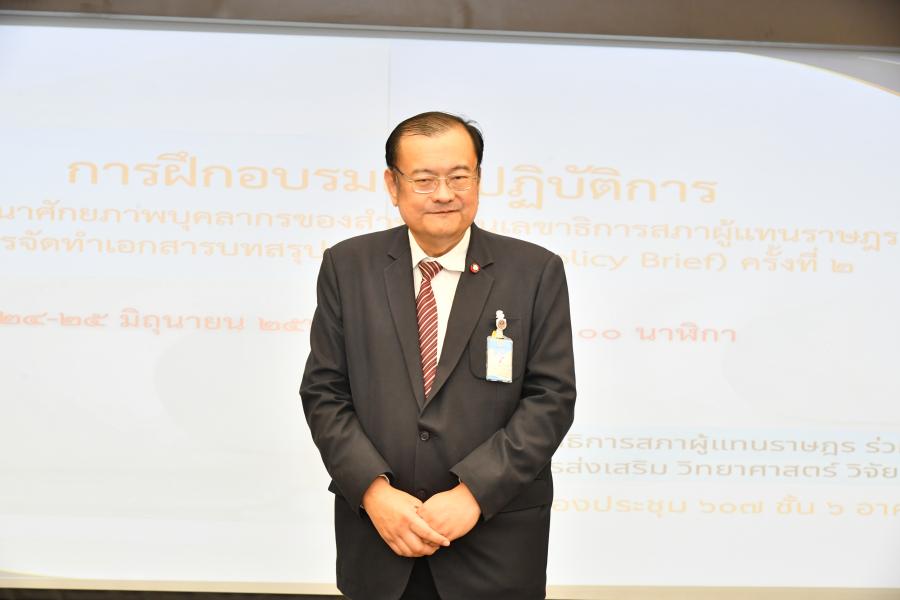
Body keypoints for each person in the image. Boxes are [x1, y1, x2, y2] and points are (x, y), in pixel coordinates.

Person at [300, 111, 576, 600]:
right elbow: (325, 392)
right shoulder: (347, 266)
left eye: (459, 177)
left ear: (478, 179)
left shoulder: (535, 271)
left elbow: (550, 398)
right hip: (381, 539)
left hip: (495, 543)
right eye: (424, 179)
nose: (444, 193)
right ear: (393, 184)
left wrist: (474, 493)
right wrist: (373, 492)